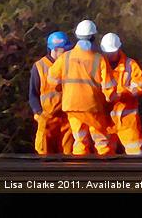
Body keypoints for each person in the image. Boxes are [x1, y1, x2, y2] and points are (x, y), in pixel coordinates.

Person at [45, 19, 118, 156]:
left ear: (77, 36)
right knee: (101, 142)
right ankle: (106, 172)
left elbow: (52, 79)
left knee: (79, 140)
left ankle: (80, 171)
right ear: (93, 37)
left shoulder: (65, 57)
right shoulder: (99, 59)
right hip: (93, 107)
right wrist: (111, 101)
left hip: (72, 106)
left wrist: (61, 88)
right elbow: (109, 87)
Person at [100, 33, 142, 155]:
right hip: (106, 120)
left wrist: (121, 93)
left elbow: (139, 86)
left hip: (127, 119)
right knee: (104, 155)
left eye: (112, 52)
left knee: (136, 153)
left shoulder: (131, 65)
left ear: (119, 49)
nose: (110, 55)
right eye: (108, 52)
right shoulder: (100, 64)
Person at [29, 31, 74, 154]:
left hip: (66, 119)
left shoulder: (70, 64)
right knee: (45, 155)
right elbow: (33, 94)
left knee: (69, 155)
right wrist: (39, 113)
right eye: (64, 49)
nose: (67, 52)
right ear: (55, 49)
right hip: (47, 119)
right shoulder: (39, 67)